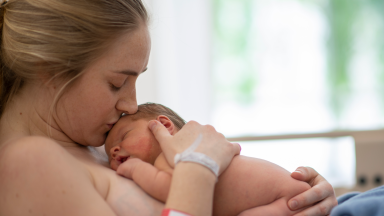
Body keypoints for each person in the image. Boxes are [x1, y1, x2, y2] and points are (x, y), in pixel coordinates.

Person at [0, 0, 337, 215]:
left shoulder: (98, 151)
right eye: (117, 83)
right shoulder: (28, 164)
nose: (131, 105)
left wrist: (299, 198)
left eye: (136, 82)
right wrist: (198, 167)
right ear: (51, 69)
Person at [105, 103, 313, 216]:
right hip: (292, 195)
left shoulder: (173, 155)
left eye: (124, 137)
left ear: (164, 126)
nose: (114, 150)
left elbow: (173, 188)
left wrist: (136, 170)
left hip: (288, 199)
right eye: (109, 154)